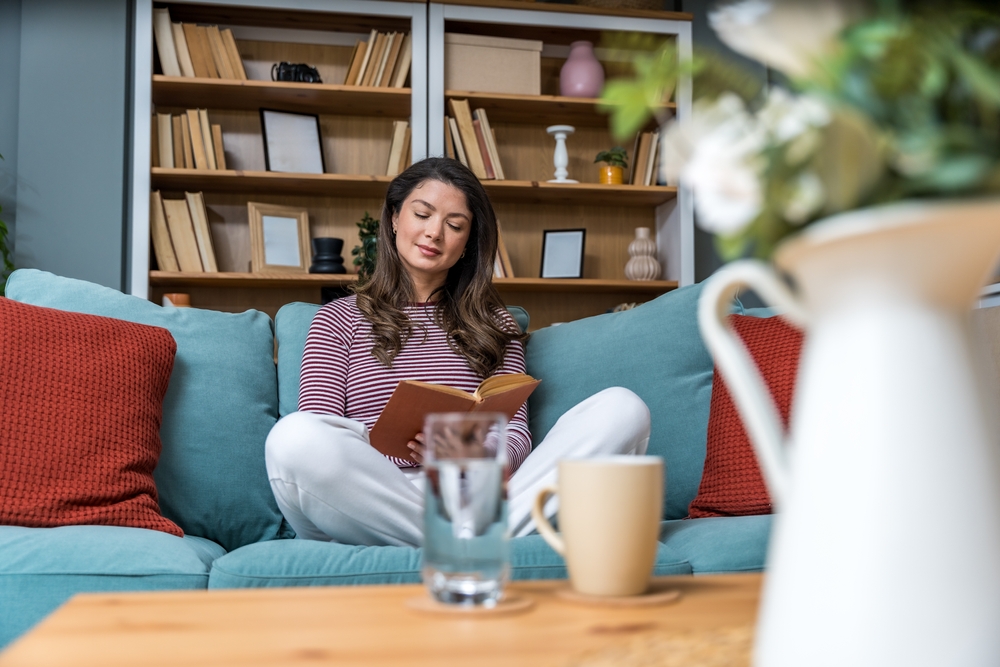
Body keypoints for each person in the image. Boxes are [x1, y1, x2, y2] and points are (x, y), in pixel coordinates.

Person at [265, 157, 650, 547]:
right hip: (375, 498)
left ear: (467, 243)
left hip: (475, 494)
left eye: (454, 225)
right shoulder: (338, 319)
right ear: (395, 218)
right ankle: (475, 540)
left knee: (622, 408)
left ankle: (458, 537)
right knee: (294, 436)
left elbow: (516, 435)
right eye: (422, 214)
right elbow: (322, 429)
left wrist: (460, 450)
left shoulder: (494, 323)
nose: (435, 233)